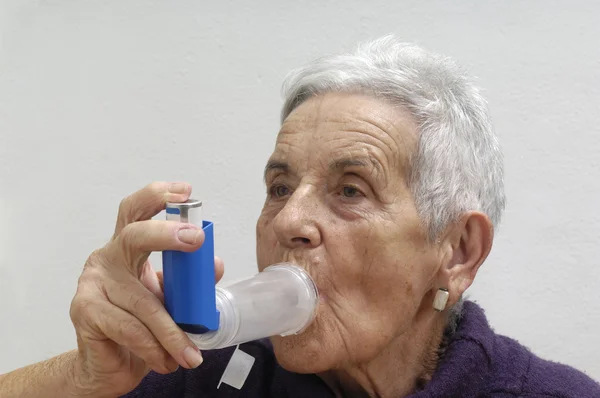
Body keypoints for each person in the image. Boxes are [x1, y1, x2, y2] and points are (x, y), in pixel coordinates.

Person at [1, 35, 599, 398]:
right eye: (280, 185)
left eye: (350, 189)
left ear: (458, 250)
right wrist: (83, 379)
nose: (289, 221)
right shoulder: (212, 375)